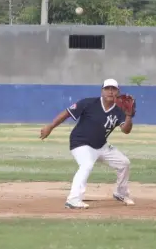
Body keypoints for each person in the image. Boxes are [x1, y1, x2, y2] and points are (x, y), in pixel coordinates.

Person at [40, 78, 135, 209]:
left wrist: (129, 115)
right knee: (86, 164)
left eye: (113, 89)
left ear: (118, 92)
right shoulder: (89, 103)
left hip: (101, 145)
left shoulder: (120, 110)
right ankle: (73, 200)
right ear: (102, 91)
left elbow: (126, 130)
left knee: (124, 163)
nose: (110, 91)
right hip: (80, 142)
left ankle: (120, 193)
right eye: (107, 88)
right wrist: (50, 127)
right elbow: (67, 113)